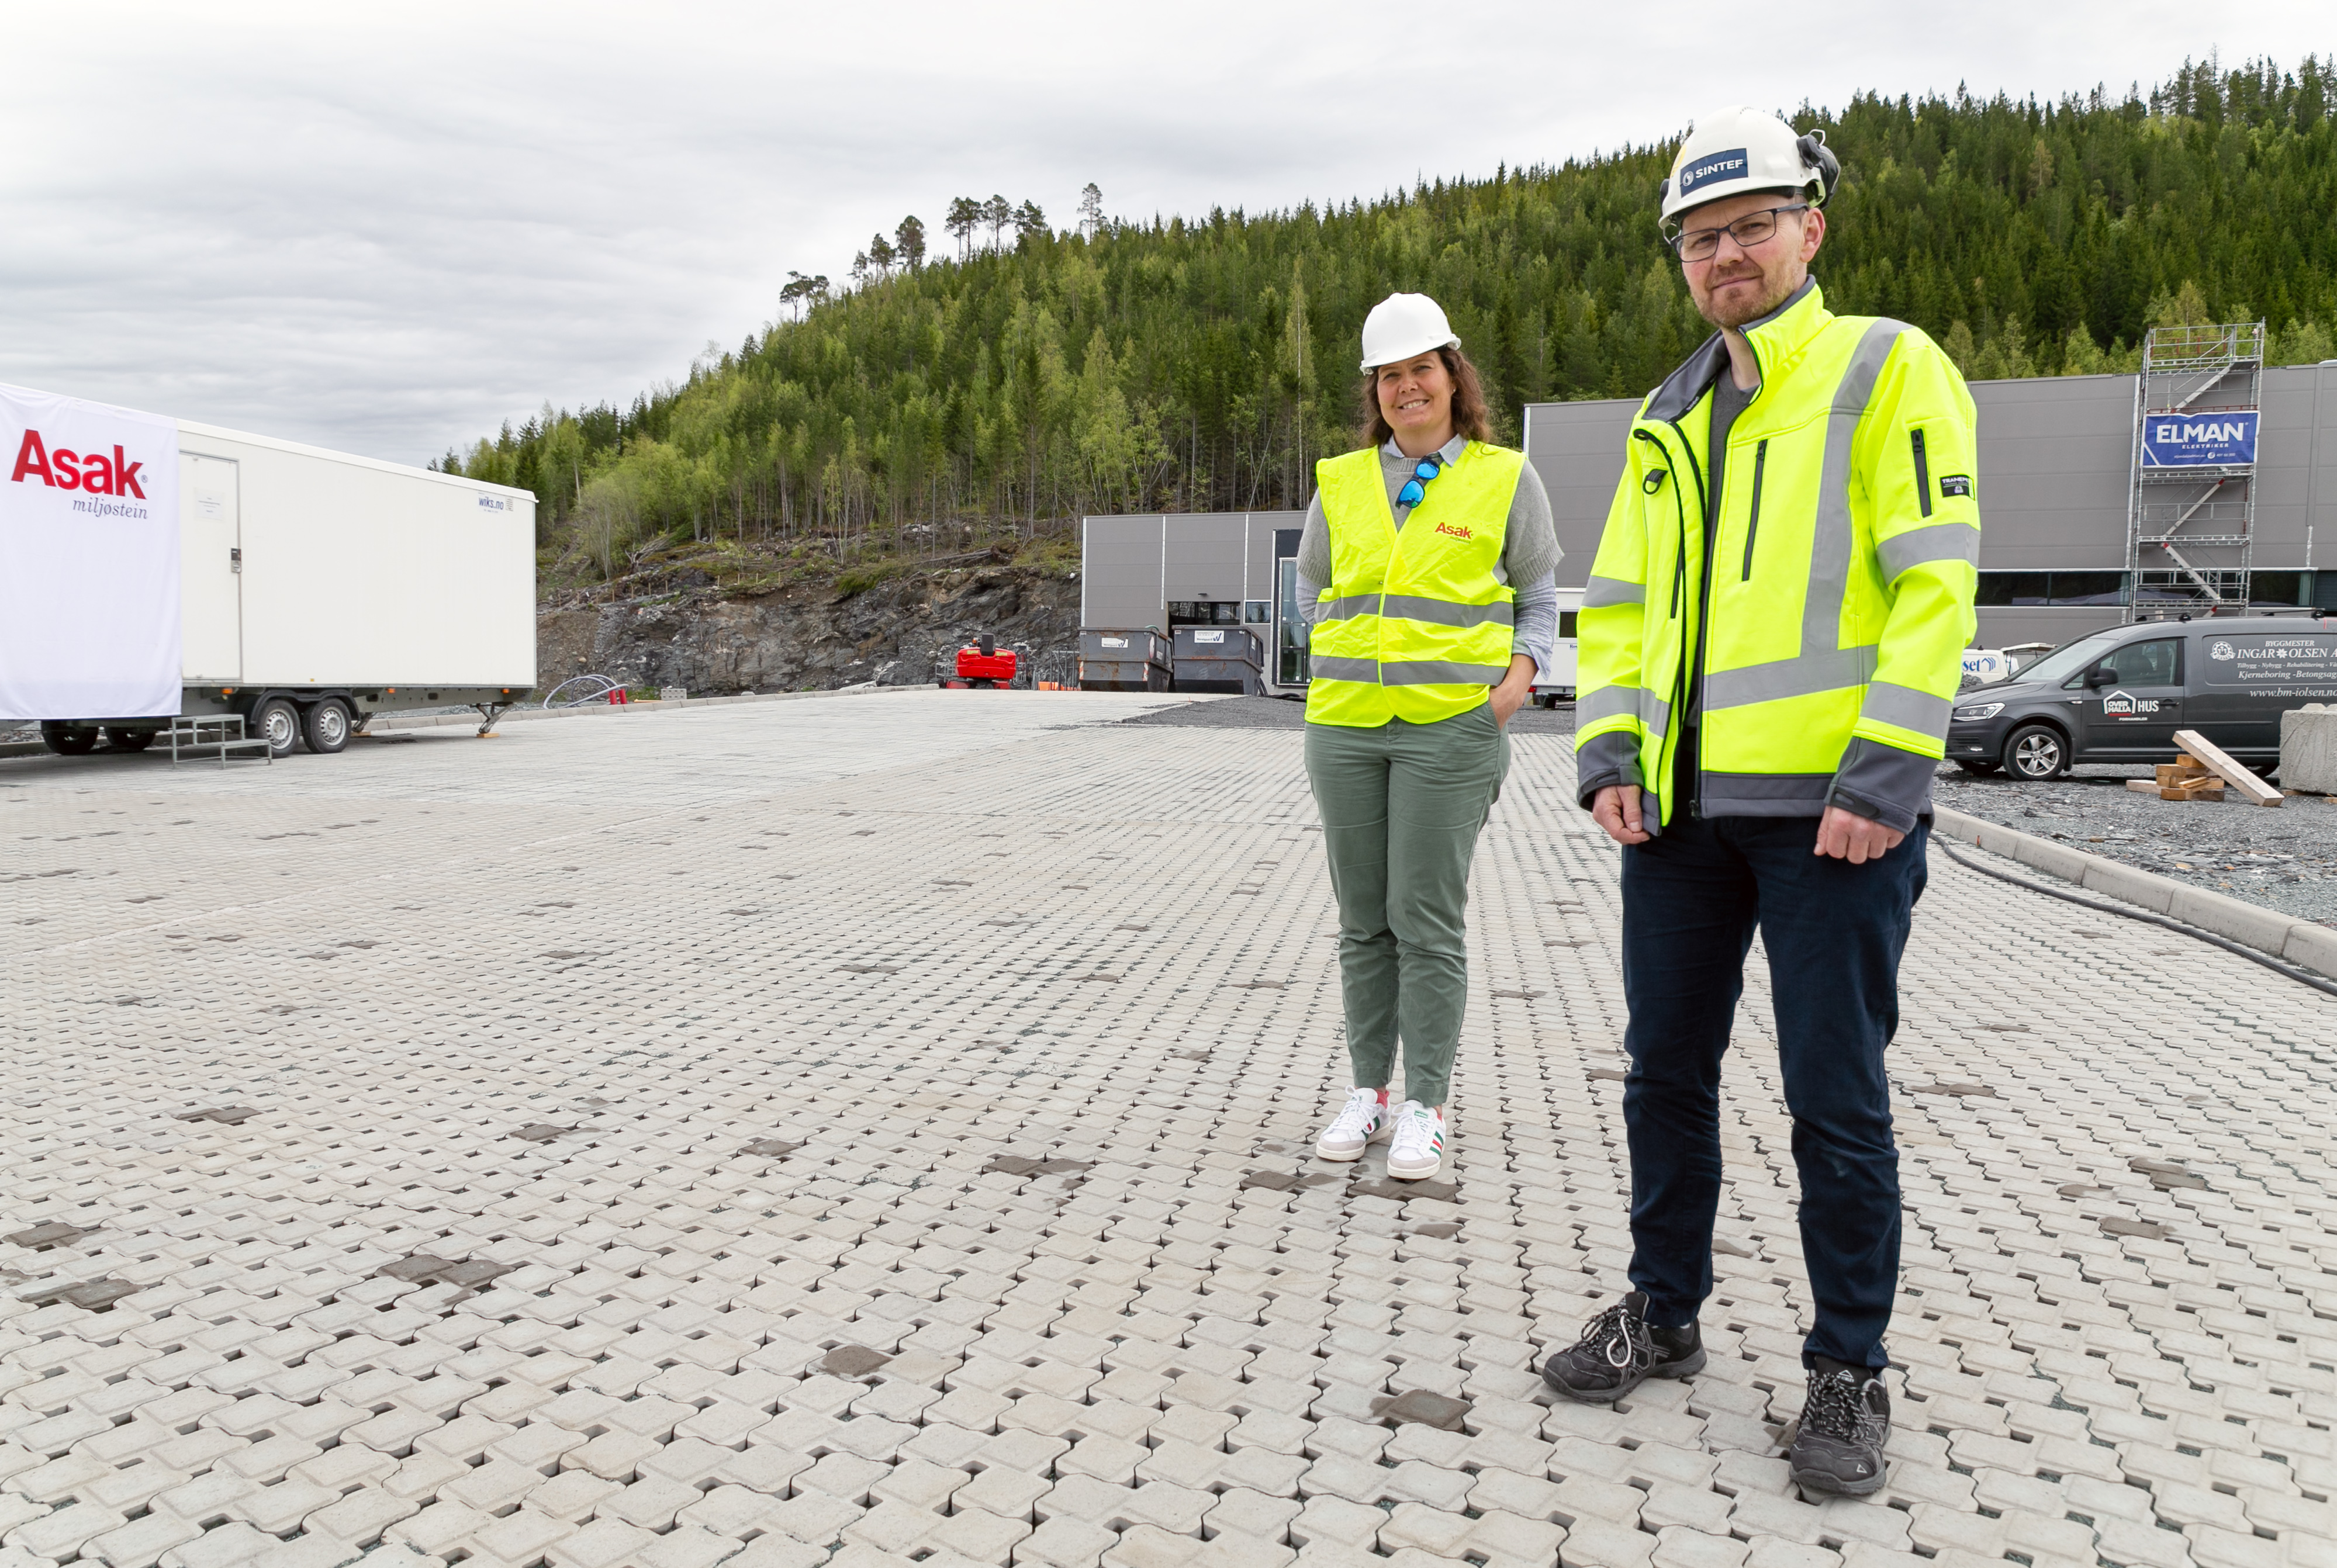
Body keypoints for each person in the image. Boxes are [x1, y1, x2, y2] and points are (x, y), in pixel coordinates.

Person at [1539, 109, 1979, 1499]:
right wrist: (1608, 754)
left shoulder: (1884, 367)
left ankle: (1848, 1365)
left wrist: (1885, 773)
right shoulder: (1665, 418)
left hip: (1832, 818)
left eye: (1749, 225)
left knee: (1832, 1098)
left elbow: (1933, 581)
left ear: (1811, 229)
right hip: (1674, 817)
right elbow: (1613, 612)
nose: (1725, 254)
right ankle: (1663, 1312)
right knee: (1663, 1073)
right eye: (1700, 237)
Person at [1300, 292, 1562, 1182]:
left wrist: (1513, 685)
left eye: (1421, 369)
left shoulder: (1502, 476)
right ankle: (1366, 1092)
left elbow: (1537, 595)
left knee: (1425, 919)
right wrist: (1335, 659)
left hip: (1449, 732)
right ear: (1373, 391)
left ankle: (1426, 1104)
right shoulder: (1339, 481)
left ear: (1453, 377)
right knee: (1361, 922)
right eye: (1389, 375)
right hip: (1344, 728)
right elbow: (1311, 590)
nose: (1406, 387)